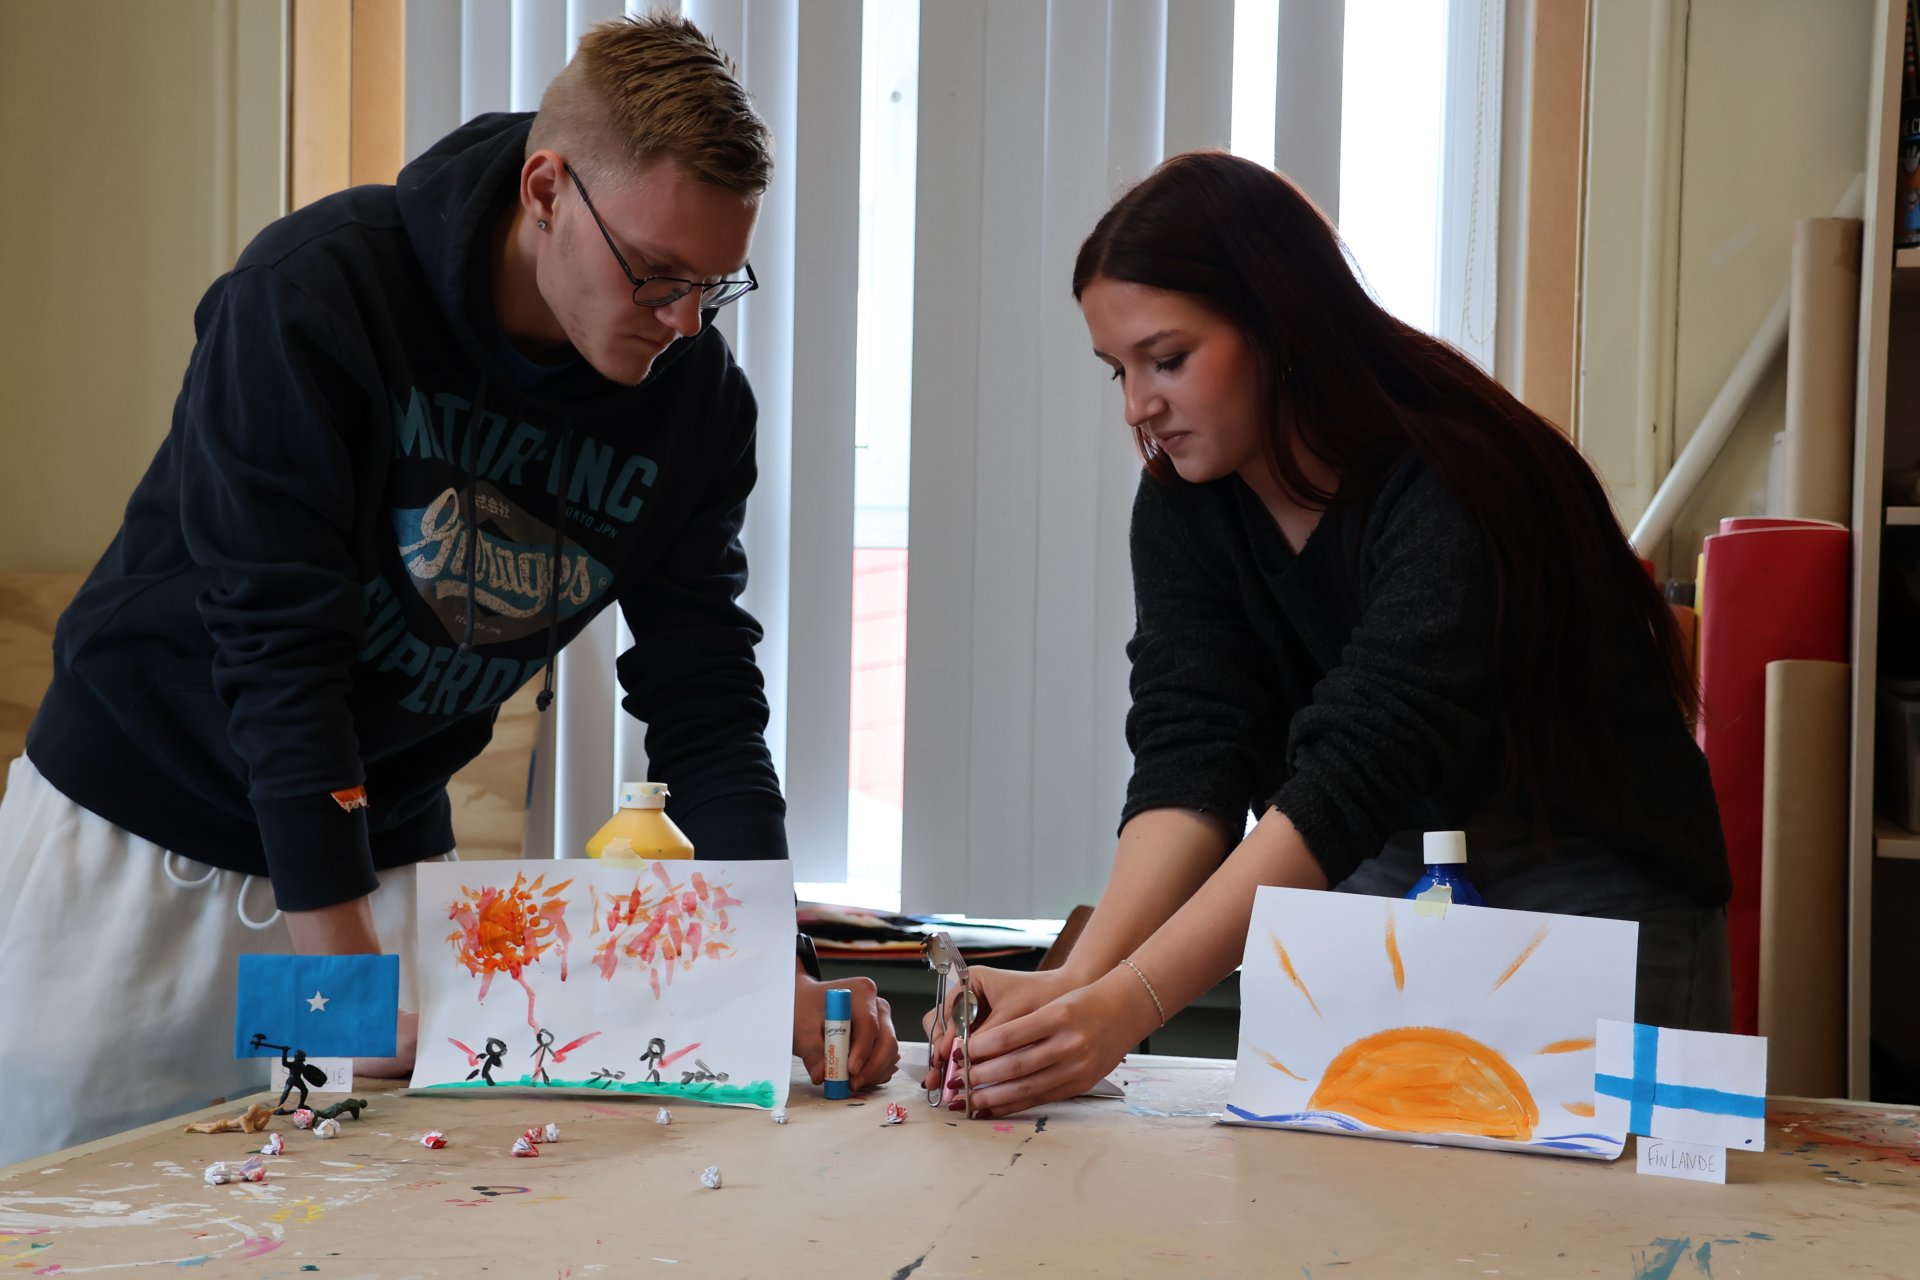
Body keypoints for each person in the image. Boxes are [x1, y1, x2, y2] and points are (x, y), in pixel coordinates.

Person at [0, 14, 897, 1165]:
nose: (682, 322)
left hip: (371, 865)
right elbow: (283, 659)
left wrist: (774, 967)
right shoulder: (313, 294)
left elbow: (707, 698)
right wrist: (343, 987)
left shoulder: (696, 405)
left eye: (713, 285)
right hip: (139, 859)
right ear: (546, 189)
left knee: (365, 1217)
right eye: (656, 274)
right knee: (86, 1213)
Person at [925, 151, 1730, 1119]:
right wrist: (1079, 982)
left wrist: (1128, 1004)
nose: (1138, 405)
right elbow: (1192, 753)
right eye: (1119, 370)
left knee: (1604, 1193)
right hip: (1376, 856)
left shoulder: (1462, 477)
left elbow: (1361, 763)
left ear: (1279, 321)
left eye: (1167, 359)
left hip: (1589, 873)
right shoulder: (1185, 501)